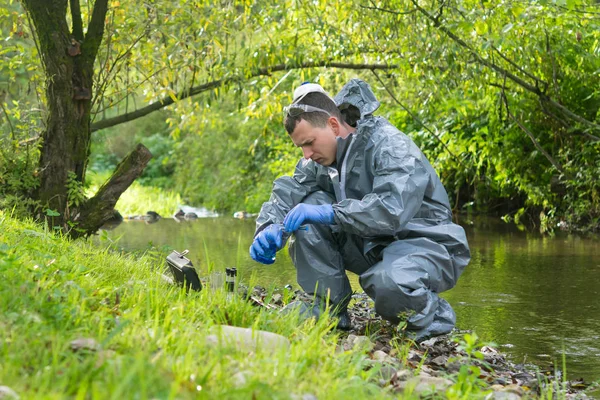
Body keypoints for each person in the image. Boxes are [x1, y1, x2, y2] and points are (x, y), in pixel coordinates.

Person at [249, 79, 470, 341]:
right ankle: (326, 307)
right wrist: (269, 227)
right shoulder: (321, 157)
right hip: (373, 244)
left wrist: (331, 212)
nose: (306, 154)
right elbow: (289, 190)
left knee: (389, 283)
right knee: (309, 201)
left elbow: (392, 209)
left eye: (309, 143)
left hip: (424, 242)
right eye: (301, 148)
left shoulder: (390, 145)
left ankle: (435, 320)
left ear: (332, 124)